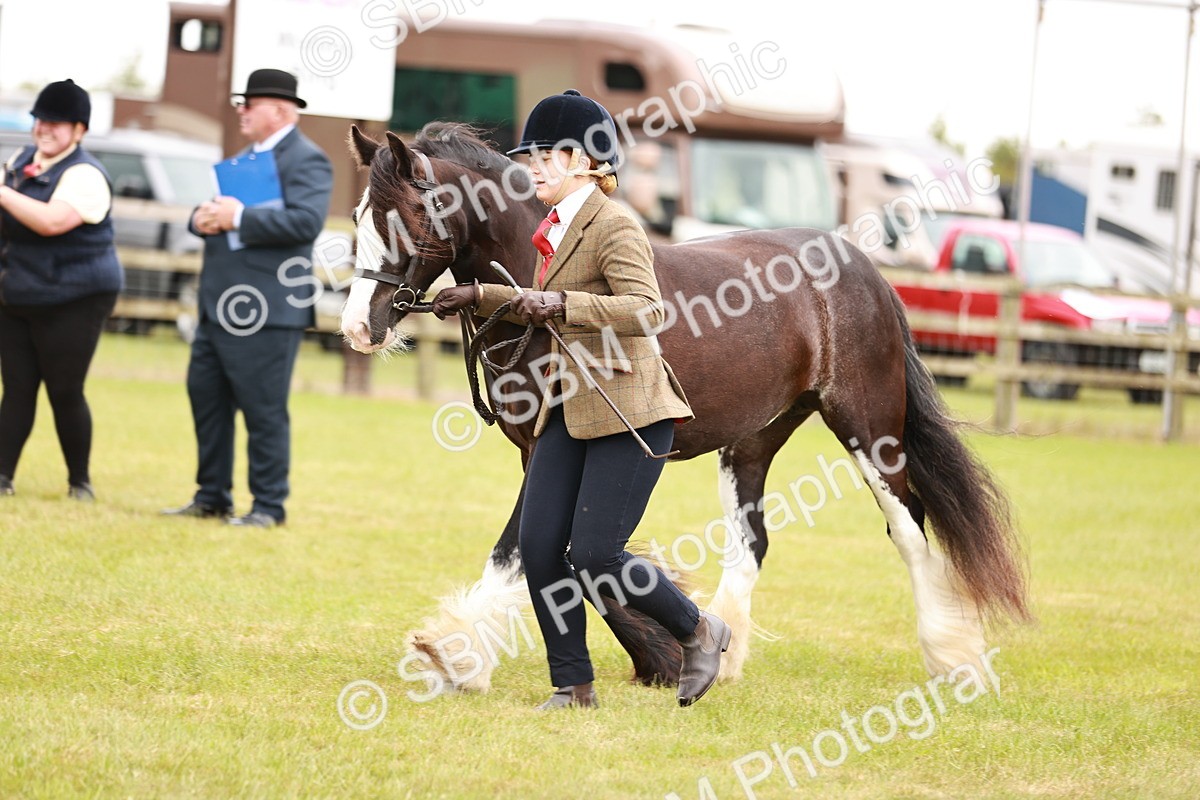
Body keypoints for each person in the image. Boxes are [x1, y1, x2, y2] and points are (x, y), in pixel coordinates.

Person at [432, 89, 731, 709]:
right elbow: (538, 303)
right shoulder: (557, 226)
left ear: (581, 160)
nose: (531, 167)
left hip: (632, 411)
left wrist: (563, 306)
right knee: (541, 550)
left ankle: (701, 629)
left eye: (542, 156)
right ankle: (573, 685)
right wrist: (479, 297)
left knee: (594, 555)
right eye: (530, 156)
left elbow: (647, 310)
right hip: (571, 406)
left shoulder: (613, 224)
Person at [162, 69, 332, 528]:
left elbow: (304, 224)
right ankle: (211, 495)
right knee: (207, 400)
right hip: (219, 307)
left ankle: (268, 506)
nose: (241, 110)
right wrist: (203, 219)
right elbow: (216, 217)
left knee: (262, 410)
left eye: (249, 103)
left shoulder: (308, 160)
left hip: (268, 310)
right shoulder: (242, 161)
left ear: (278, 110)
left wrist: (238, 216)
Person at [0, 79, 123, 502]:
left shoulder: (85, 173)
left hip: (76, 297)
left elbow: (52, 221)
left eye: (56, 122)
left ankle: (80, 482)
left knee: (64, 389)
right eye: (40, 120)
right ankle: (2, 478)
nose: (44, 129)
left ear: (79, 130)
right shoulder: (20, 161)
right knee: (15, 387)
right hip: (21, 292)